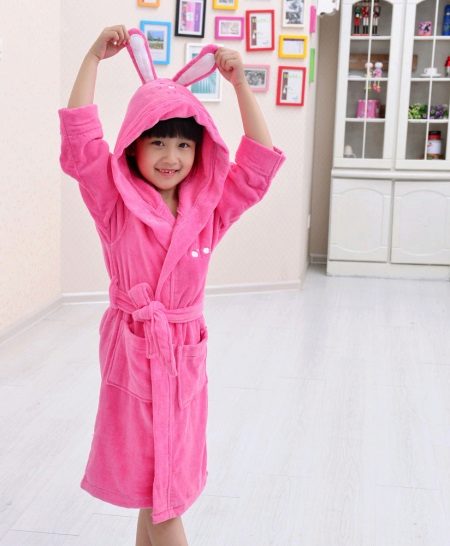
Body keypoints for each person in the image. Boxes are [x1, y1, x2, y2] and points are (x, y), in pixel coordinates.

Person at [59, 25, 285, 546]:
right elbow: (81, 142)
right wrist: (93, 57)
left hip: (184, 357)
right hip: (133, 351)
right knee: (161, 496)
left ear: (200, 149)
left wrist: (240, 85)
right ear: (133, 146)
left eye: (184, 143)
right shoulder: (113, 201)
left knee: (160, 489)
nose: (171, 156)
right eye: (157, 141)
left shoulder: (208, 209)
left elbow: (258, 164)